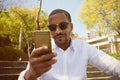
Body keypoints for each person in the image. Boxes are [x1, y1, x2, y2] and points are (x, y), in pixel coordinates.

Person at [18, 9, 120, 80]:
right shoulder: (40, 51)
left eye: (63, 25)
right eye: (53, 27)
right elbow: (25, 77)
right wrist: (30, 75)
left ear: (71, 27)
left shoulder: (84, 47)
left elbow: (113, 65)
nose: (58, 31)